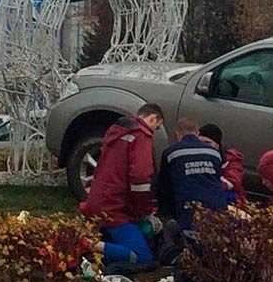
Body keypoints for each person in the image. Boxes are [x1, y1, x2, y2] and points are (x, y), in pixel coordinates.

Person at [80, 103, 164, 267]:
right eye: (157, 126)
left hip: (97, 203)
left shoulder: (116, 134)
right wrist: (144, 212)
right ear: (152, 118)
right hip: (115, 208)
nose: (155, 131)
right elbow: (140, 177)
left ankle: (98, 249)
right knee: (143, 257)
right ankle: (88, 245)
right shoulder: (140, 135)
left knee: (117, 243)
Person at [158, 118, 226, 230]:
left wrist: (164, 213)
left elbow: (164, 187)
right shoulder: (214, 153)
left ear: (177, 134)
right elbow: (217, 179)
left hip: (188, 207)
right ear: (197, 133)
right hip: (216, 207)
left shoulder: (171, 153)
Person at [199, 123, 247, 207]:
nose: (203, 146)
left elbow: (233, 181)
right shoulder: (193, 156)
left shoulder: (231, 159)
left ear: (217, 145)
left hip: (229, 199)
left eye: (207, 142)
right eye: (200, 142)